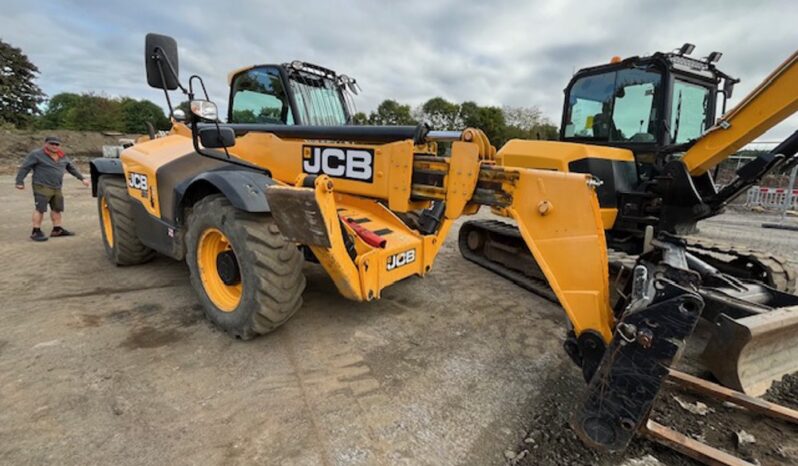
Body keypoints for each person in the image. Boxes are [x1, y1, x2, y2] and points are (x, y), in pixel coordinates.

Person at [15, 136, 90, 241]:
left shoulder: (62, 155)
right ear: (46, 144)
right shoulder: (36, 154)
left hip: (57, 186)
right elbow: (25, 167)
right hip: (41, 185)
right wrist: (19, 181)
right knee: (40, 209)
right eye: (52, 144)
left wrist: (82, 178)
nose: (55, 146)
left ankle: (57, 229)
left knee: (57, 208)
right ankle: (36, 232)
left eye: (57, 144)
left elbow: (71, 168)